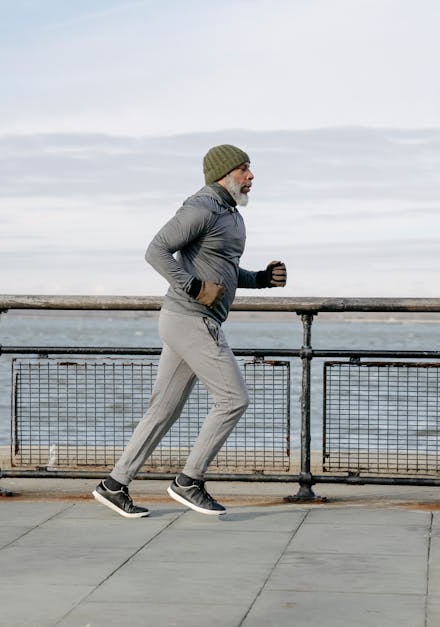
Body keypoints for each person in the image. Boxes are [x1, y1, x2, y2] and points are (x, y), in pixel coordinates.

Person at [92, 144, 287, 518]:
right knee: (234, 399)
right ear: (223, 174)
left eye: (250, 169)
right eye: (244, 169)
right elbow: (156, 250)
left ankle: (114, 485)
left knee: (162, 410)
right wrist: (194, 287)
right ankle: (189, 481)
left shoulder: (230, 214)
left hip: (190, 320)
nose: (251, 176)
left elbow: (225, 272)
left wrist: (261, 279)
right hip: (191, 318)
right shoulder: (201, 207)